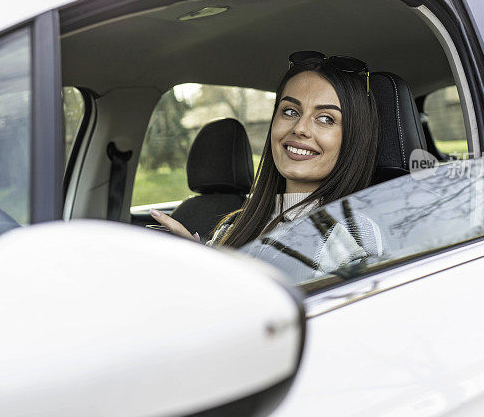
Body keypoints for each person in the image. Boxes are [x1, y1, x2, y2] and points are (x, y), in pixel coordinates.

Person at [150, 50, 383, 274]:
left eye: (325, 118)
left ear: (354, 138)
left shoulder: (352, 235)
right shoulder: (235, 224)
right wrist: (196, 262)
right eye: (290, 111)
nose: (300, 128)